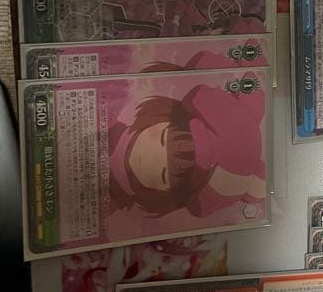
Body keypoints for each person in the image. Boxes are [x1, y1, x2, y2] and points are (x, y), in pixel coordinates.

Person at [107, 54, 266, 222]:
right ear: (165, 118)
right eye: (161, 139)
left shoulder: (112, 200)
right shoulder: (110, 118)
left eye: (163, 174)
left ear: (165, 193)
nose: (150, 157)